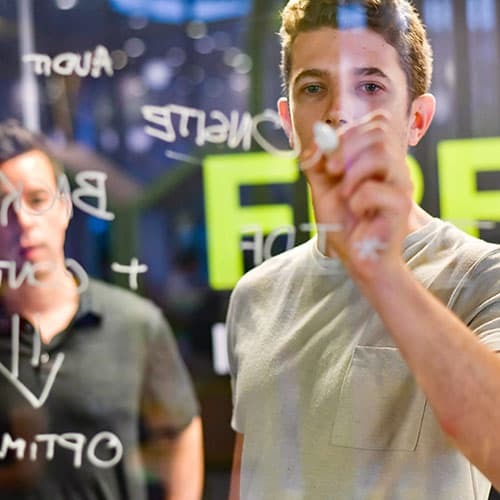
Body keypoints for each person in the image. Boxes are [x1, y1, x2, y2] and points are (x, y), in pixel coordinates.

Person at [227, 1, 500, 499]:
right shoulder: (255, 294)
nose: (339, 111)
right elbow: (251, 477)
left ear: (416, 120)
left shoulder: (482, 277)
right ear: (288, 121)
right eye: (314, 88)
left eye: (370, 87)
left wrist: (381, 272)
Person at [0, 120, 203, 499]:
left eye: (37, 200)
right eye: (4, 205)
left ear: (64, 207)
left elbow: (180, 430)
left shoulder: (134, 324)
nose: (23, 221)